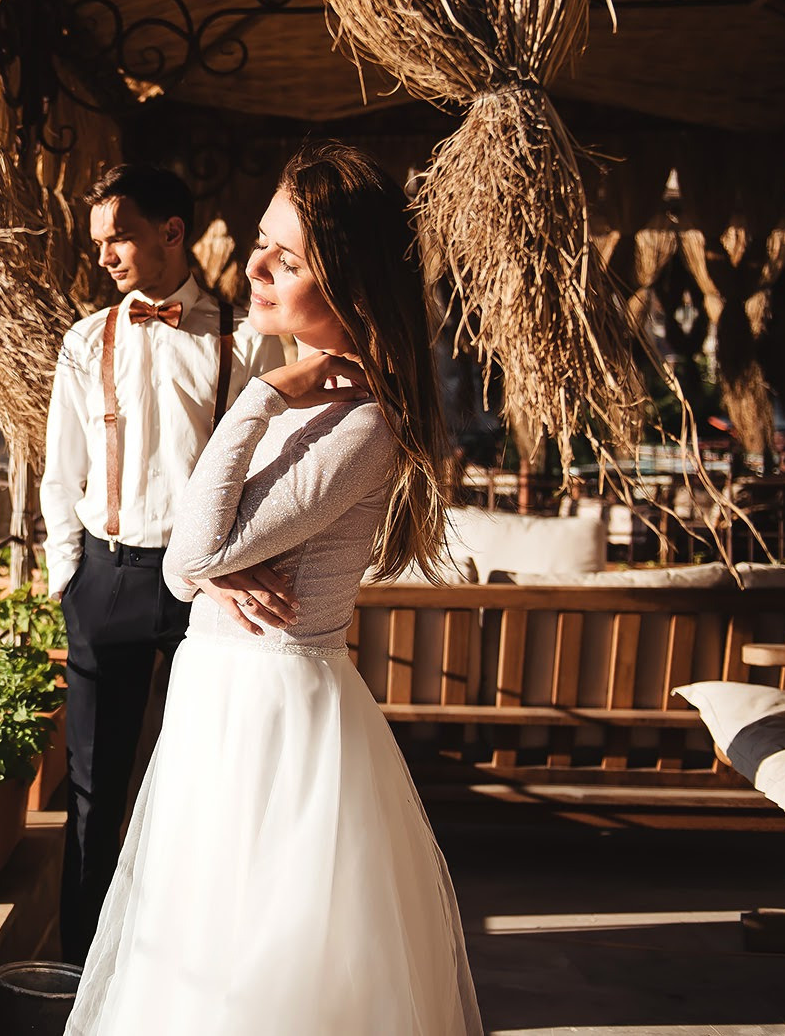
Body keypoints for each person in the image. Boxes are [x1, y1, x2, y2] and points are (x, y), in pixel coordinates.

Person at [66, 143, 483, 1034]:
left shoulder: (359, 420)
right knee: (193, 960)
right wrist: (207, 567)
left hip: (273, 719)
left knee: (257, 978)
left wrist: (258, 397)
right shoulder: (311, 398)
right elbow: (184, 565)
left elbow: (190, 548)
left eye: (285, 258)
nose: (253, 266)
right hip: (224, 702)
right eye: (261, 242)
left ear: (352, 283)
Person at [40, 163, 286, 964]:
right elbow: (60, 471)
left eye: (120, 237)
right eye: (100, 241)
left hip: (206, 588)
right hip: (106, 579)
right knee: (92, 789)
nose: (105, 255)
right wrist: (68, 581)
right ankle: (82, 968)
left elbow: (266, 470)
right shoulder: (85, 341)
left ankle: (185, 961)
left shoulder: (244, 340)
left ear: (172, 233)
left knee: (202, 781)